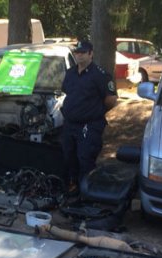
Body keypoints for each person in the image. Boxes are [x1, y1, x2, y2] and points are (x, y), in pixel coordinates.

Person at [60, 40, 118, 193]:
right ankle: (73, 187)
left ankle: (87, 192)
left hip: (89, 125)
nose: (79, 55)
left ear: (91, 54)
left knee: (85, 158)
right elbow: (67, 93)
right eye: (77, 52)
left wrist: (93, 112)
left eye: (82, 52)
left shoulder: (100, 75)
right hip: (70, 124)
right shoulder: (70, 73)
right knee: (68, 156)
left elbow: (111, 100)